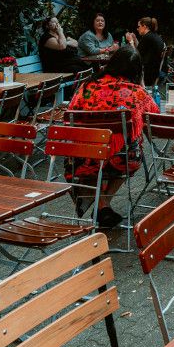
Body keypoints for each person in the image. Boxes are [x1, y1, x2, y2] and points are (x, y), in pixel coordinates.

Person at [66, 46, 157, 227]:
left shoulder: (88, 85)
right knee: (131, 149)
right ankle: (104, 203)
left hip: (81, 158)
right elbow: (153, 117)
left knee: (97, 159)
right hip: (121, 160)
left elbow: (70, 113)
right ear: (136, 70)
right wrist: (143, 86)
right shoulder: (136, 92)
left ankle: (100, 205)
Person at [136, 16, 166, 90]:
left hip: (148, 74)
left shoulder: (147, 37)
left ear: (144, 26)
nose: (137, 29)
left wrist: (131, 41)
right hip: (156, 71)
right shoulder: (154, 36)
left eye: (139, 26)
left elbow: (135, 54)